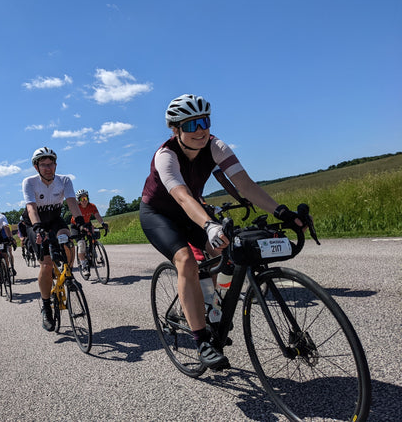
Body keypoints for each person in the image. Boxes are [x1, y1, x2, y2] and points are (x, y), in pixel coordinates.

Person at [139, 93, 303, 370]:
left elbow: (246, 186)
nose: (200, 130)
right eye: (191, 125)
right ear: (175, 129)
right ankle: (201, 340)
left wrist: (282, 212)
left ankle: (207, 302)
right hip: (160, 214)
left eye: (204, 121)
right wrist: (209, 224)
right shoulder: (165, 155)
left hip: (193, 211)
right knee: (186, 261)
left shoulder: (216, 146)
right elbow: (182, 197)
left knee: (226, 249)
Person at [22, 147, 85, 331]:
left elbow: (72, 202)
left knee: (67, 240)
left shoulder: (64, 180)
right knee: (47, 264)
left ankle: (68, 275)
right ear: (36, 167)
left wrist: (80, 222)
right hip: (35, 222)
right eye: (43, 165)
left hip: (55, 219)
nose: (48, 168)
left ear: (56, 165)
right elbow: (31, 208)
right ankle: (46, 305)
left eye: (51, 164)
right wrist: (37, 227)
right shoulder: (29, 182)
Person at [70, 189, 108, 279]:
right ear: (78, 200)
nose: (84, 200)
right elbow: (76, 219)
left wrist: (102, 223)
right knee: (81, 244)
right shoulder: (76, 207)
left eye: (85, 198)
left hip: (87, 223)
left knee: (94, 236)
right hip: (76, 226)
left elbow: (97, 215)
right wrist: (81, 228)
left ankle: (93, 253)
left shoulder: (92, 206)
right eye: (82, 199)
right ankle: (83, 266)